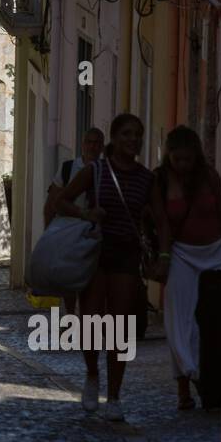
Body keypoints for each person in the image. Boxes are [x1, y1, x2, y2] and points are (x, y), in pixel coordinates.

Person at [54, 113, 154, 422]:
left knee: (120, 327)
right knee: (92, 321)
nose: (132, 140)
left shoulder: (145, 178)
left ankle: (114, 396)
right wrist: (87, 215)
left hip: (126, 256)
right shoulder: (95, 170)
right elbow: (62, 200)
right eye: (126, 134)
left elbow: (157, 216)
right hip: (95, 252)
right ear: (114, 137)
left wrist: (160, 253)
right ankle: (92, 374)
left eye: (137, 134)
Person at [150, 125, 221, 411]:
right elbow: (161, 222)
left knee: (214, 321)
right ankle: (186, 381)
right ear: (168, 156)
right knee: (179, 321)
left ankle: (212, 380)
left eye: (187, 159)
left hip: (215, 252)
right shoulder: (160, 180)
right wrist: (162, 257)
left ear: (196, 156)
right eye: (177, 159)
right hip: (182, 254)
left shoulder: (209, 176)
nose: (183, 165)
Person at [43, 126, 106, 315]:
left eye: (97, 143)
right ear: (83, 144)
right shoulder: (68, 168)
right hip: (70, 230)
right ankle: (70, 316)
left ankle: (90, 315)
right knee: (70, 275)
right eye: (89, 142)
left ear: (102, 146)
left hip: (96, 232)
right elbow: (51, 202)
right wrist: (49, 234)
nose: (93, 147)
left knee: (93, 277)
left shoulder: (106, 170)